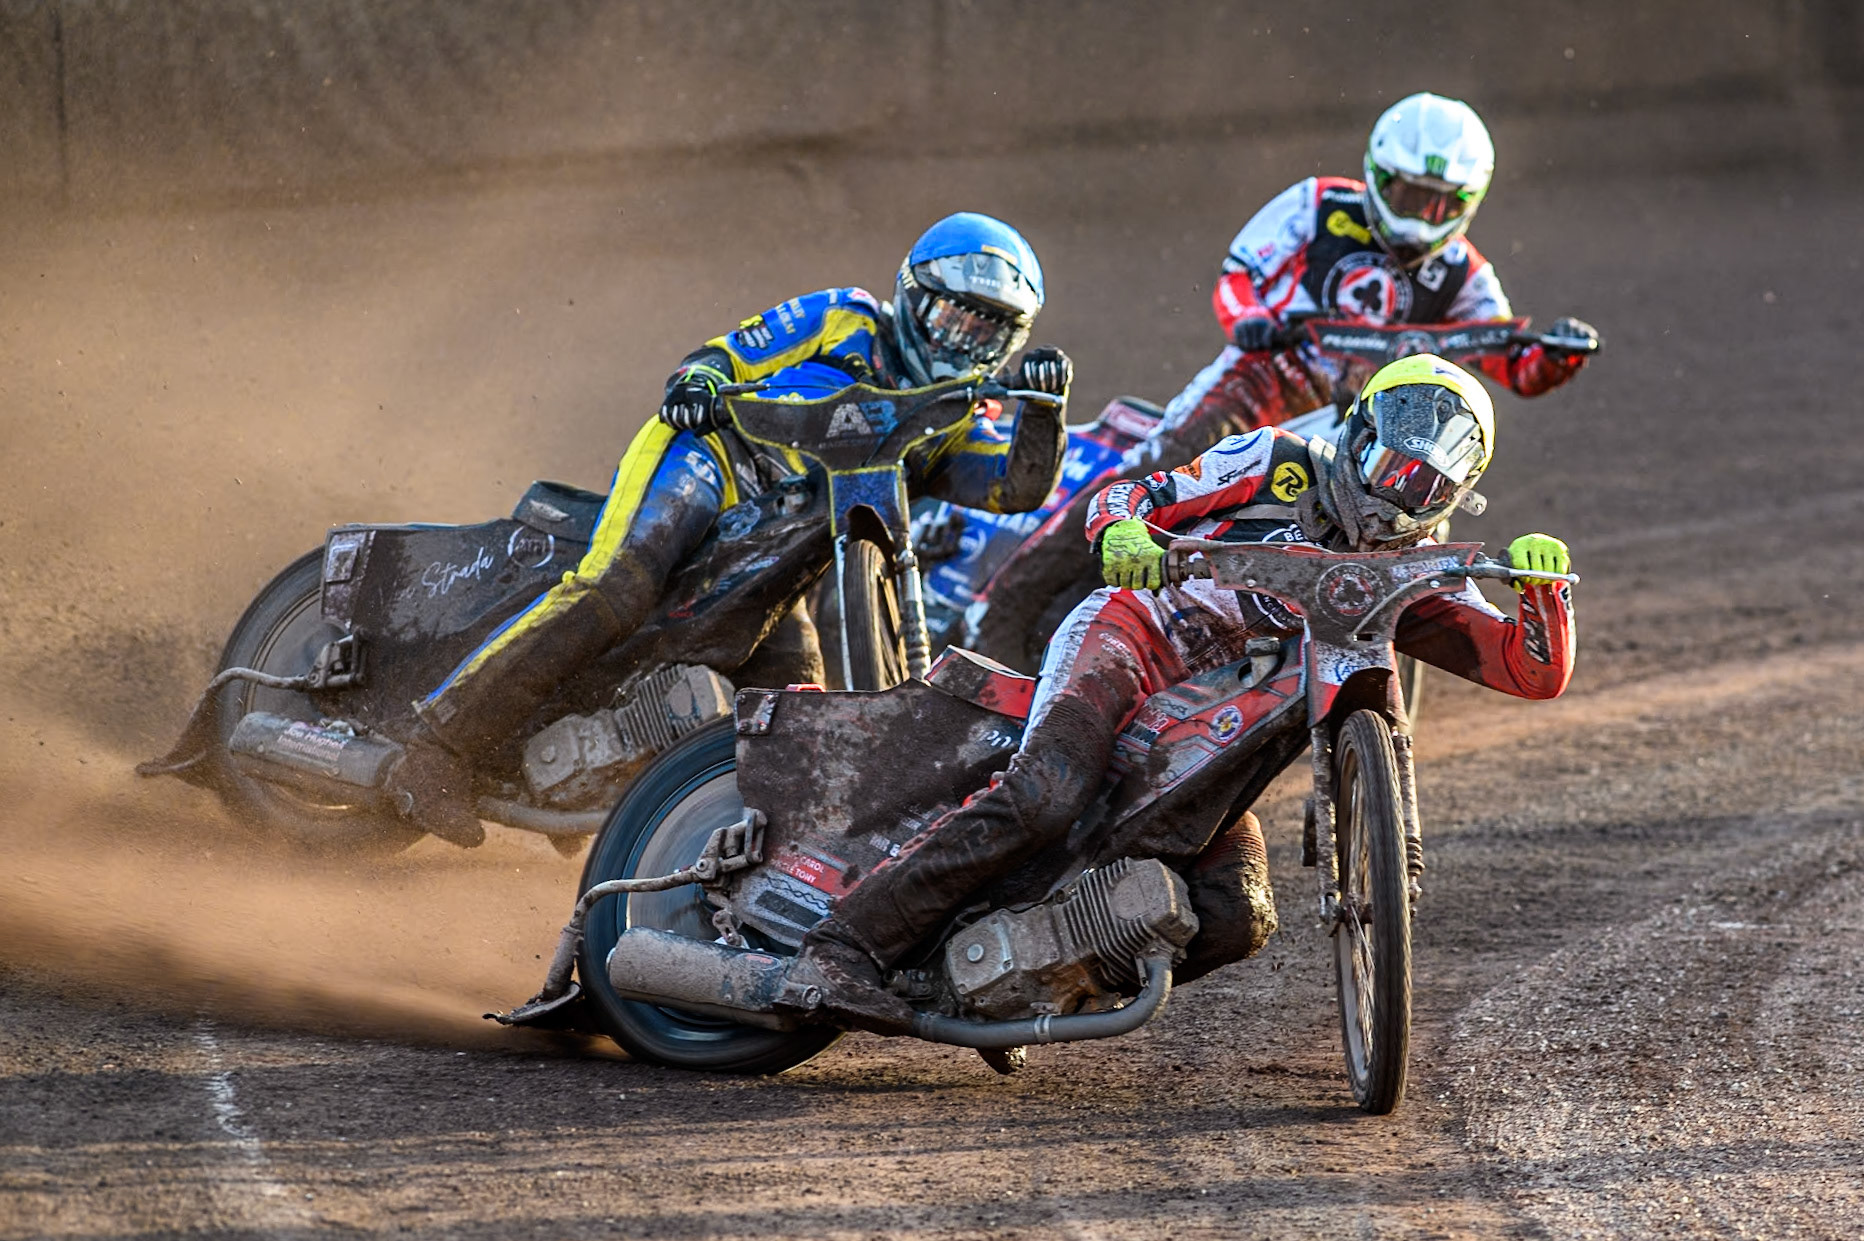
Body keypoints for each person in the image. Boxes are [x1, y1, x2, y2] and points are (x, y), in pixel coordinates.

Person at [787, 354, 1576, 1034]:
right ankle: (837, 950)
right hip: (1137, 637)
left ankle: (1036, 983)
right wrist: (1126, 534)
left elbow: (1528, 670)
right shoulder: (1276, 461)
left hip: (1216, 732)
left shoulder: (1413, 578)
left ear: (1453, 494)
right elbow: (1128, 495)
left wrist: (1544, 591)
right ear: (1360, 432)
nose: (1392, 493)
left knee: (1237, 916)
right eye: (1388, 465)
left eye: (1421, 483)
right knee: (1046, 792)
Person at [388, 213, 1074, 845]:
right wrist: (698, 381)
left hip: (786, 554)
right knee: (618, 586)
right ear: (914, 294)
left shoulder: (956, 417)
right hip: (712, 458)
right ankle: (434, 749)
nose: (962, 343)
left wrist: (1043, 411)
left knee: (794, 694)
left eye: (987, 332)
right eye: (955, 317)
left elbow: (1010, 486)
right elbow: (734, 351)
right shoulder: (847, 316)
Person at [1135, 90, 1598, 474]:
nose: (1421, 220)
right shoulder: (1320, 204)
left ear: (1468, 203)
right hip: (1270, 376)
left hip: (1373, 421)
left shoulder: (1463, 272)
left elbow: (1513, 362)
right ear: (1378, 174)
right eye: (1410, 196)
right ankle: (1069, 561)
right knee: (1172, 464)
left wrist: (1558, 356)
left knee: (1410, 520)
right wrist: (1250, 321)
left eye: (1441, 206)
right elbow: (1241, 274)